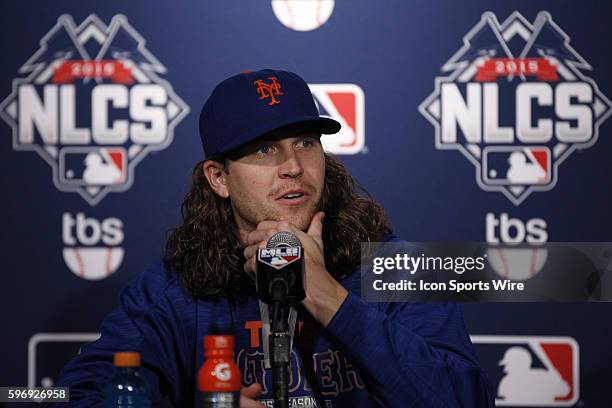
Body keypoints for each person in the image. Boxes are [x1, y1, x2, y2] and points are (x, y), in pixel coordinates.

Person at [48, 69, 494, 407]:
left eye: (305, 142)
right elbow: (70, 397)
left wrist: (326, 295)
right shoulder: (175, 290)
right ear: (219, 177)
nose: (294, 166)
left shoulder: (396, 265)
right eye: (265, 149)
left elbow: (467, 398)